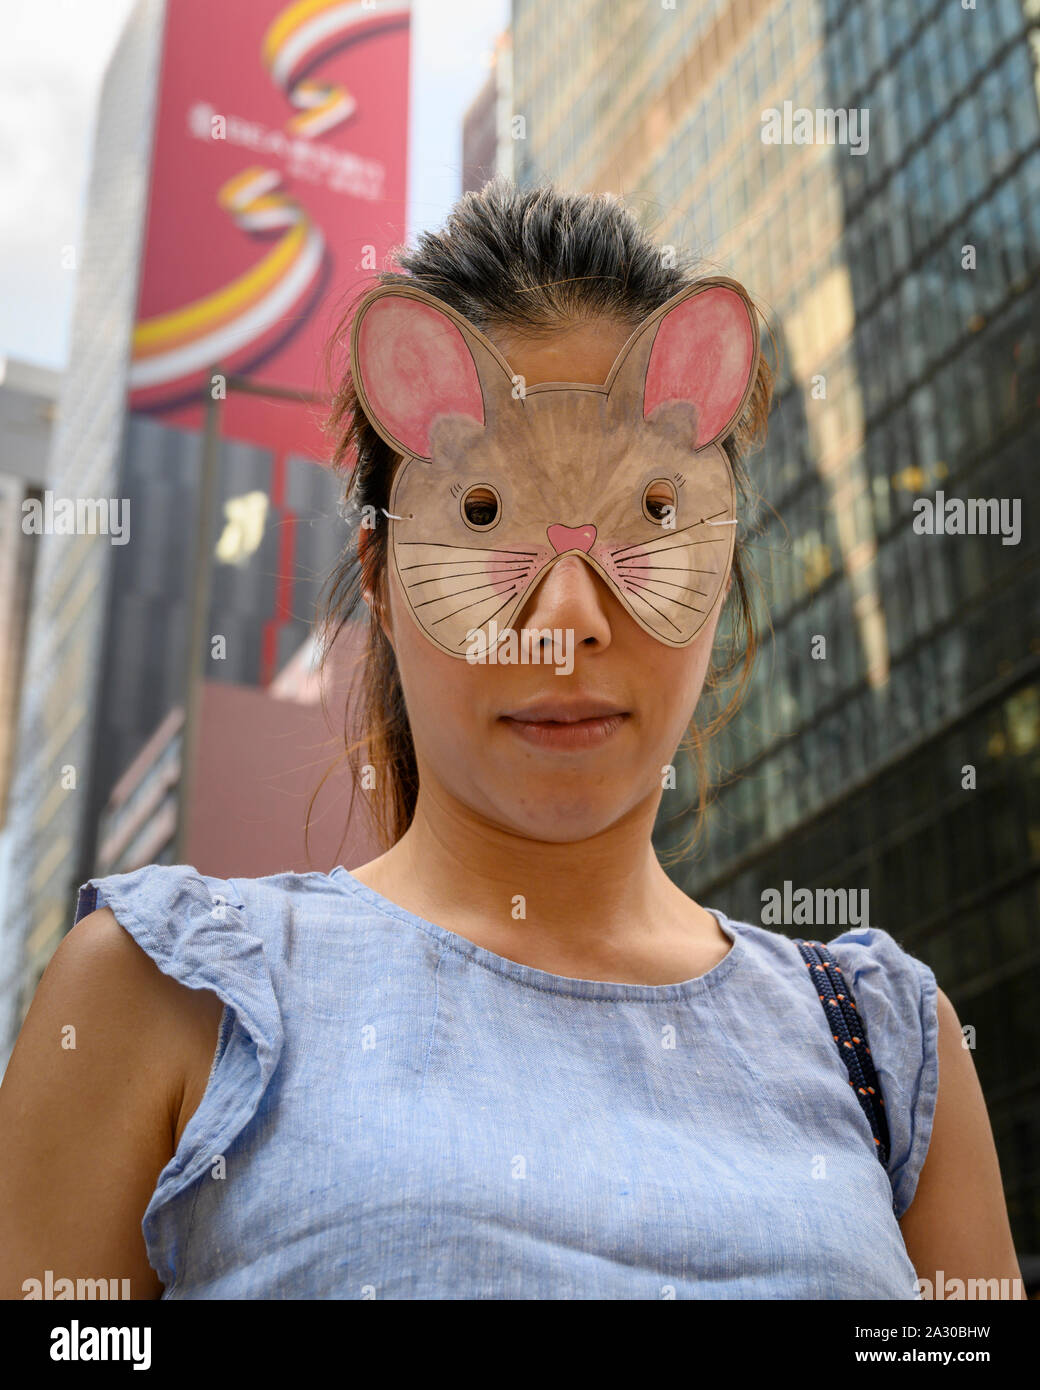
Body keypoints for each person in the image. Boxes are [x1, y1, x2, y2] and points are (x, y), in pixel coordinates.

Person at [0, 180, 1024, 1300]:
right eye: (485, 520)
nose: (567, 620)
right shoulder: (167, 992)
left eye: (651, 517)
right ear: (383, 579)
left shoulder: (882, 1043)